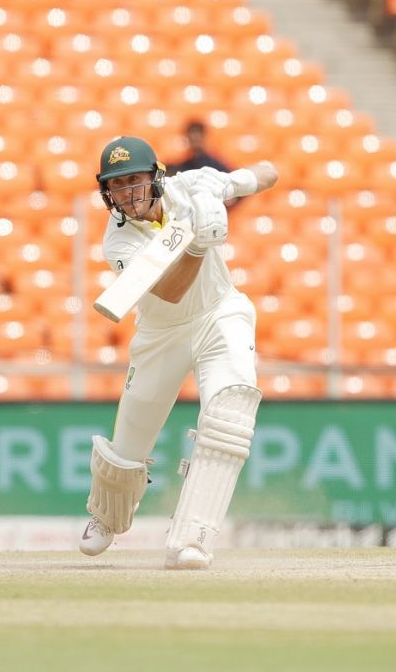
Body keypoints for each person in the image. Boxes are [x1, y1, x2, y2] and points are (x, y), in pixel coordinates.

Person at [79, 135, 278, 569]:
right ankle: (106, 517)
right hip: (160, 333)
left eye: (134, 181)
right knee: (128, 446)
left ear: (156, 178)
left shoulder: (190, 187)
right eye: (117, 185)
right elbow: (169, 292)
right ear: (106, 192)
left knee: (231, 408)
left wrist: (223, 186)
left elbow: (268, 172)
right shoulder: (117, 243)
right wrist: (197, 242)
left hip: (220, 312)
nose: (127, 193)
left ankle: (193, 539)